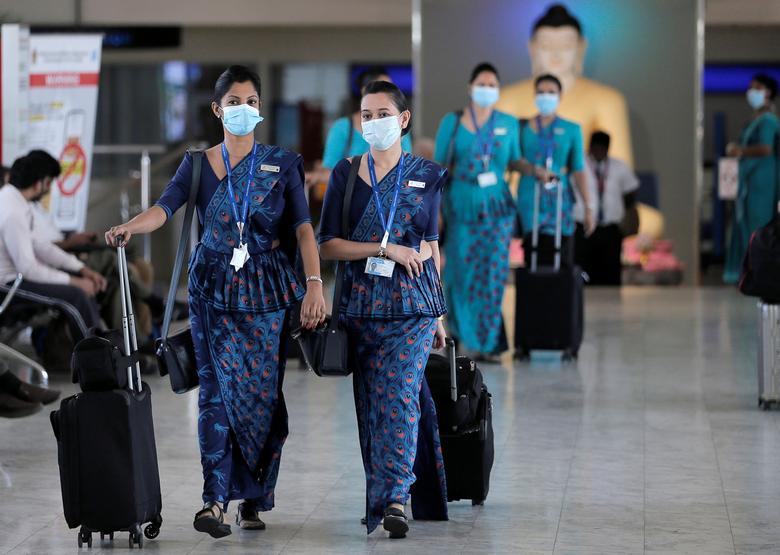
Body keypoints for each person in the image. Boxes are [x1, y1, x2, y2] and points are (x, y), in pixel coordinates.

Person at [105, 65, 326, 538]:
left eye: (250, 102)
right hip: (212, 290)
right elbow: (165, 209)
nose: (242, 110)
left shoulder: (283, 163)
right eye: (233, 103)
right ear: (216, 109)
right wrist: (129, 227)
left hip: (266, 293)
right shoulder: (196, 163)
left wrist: (314, 282)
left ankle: (254, 497)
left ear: (260, 109)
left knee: (262, 398)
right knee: (217, 394)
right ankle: (214, 501)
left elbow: (303, 228)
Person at [319, 80, 448, 539]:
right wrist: (384, 248)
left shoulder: (427, 174)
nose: (373, 122)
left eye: (381, 114)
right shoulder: (346, 174)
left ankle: (396, 497)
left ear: (404, 119)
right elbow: (328, 245)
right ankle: (388, 494)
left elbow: (431, 247)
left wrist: (439, 315)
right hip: (360, 308)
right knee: (374, 405)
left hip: (411, 308)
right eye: (366, 115)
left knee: (396, 397)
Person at [433, 62, 521, 361]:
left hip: (497, 207)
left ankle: (488, 342)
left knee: (493, 274)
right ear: (470, 88)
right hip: (461, 204)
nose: (486, 90)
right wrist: (435, 210)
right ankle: (459, 336)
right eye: (481, 84)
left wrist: (535, 170)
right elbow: (439, 168)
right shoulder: (453, 122)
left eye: (492, 85)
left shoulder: (508, 123)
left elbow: (515, 161)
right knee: (461, 272)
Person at [496, 3, 633, 166]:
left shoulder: (608, 100)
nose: (556, 54)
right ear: (532, 48)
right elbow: (496, 162)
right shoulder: (507, 99)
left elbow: (619, 171)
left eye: (566, 46)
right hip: (523, 186)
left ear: (581, 47)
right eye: (546, 46)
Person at [0, 153, 105, 333]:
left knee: (81, 289)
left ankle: (104, 348)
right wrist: (75, 282)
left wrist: (81, 269)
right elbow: (28, 268)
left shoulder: (16, 201)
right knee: (76, 297)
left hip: (17, 279)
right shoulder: (13, 212)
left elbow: (41, 246)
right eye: (50, 183)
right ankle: (98, 358)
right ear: (40, 183)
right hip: (6, 287)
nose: (48, 190)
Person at [517, 74, 593, 266]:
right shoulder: (522, 128)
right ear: (534, 95)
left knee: (560, 251)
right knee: (534, 251)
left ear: (560, 96)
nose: (546, 96)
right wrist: (534, 170)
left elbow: (578, 169)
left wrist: (588, 207)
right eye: (541, 92)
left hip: (560, 198)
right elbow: (513, 161)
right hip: (531, 198)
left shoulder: (572, 129)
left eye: (551, 92)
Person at [306, 67, 413, 188]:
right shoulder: (342, 128)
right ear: (366, 91)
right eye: (382, 87)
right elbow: (332, 171)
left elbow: (406, 167)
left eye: (390, 87)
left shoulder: (395, 126)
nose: (389, 92)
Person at [723, 73, 780, 284]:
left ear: (767, 92)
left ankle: (760, 274)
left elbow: (765, 148)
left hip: (761, 183)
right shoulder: (753, 121)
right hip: (749, 182)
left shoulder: (768, 121)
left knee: (758, 227)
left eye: (756, 88)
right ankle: (746, 273)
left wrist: (741, 151)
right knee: (743, 225)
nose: (751, 92)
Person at [575, 131, 639, 285]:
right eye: (595, 148)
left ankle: (612, 301)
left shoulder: (619, 167)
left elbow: (630, 192)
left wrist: (625, 212)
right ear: (590, 147)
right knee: (584, 268)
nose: (599, 152)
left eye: (602, 149)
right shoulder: (578, 165)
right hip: (584, 226)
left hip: (610, 227)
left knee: (610, 270)